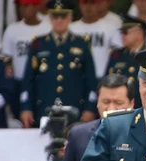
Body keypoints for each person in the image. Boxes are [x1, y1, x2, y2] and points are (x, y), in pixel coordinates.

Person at [20, 0, 98, 128]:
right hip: (44, 108)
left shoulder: (81, 44)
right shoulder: (38, 44)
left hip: (75, 109)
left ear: (70, 17)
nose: (59, 20)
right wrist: (25, 107)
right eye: (55, 16)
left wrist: (89, 108)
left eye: (64, 16)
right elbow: (28, 80)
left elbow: (91, 79)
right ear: (50, 18)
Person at [107, 14, 146, 108]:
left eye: (125, 32)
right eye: (121, 33)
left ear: (139, 34)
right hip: (119, 108)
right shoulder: (116, 55)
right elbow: (107, 82)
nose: (122, 36)